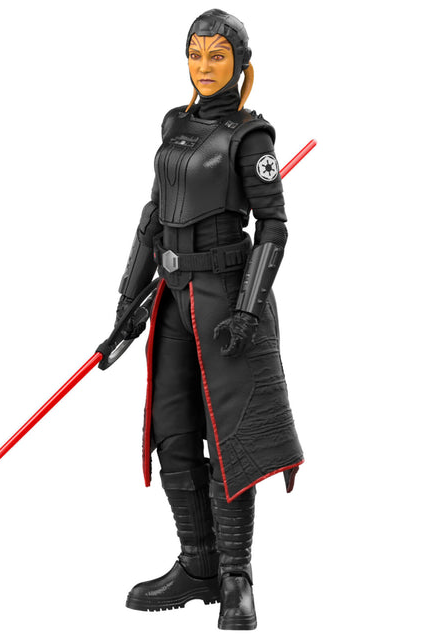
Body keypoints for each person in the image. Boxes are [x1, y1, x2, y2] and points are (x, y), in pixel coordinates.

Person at [114, 9, 304, 631]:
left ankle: (235, 578)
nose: (204, 66)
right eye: (196, 54)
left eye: (217, 56)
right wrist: (127, 302)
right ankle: (196, 563)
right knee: (173, 431)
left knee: (230, 438)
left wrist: (247, 308)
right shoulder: (175, 124)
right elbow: (154, 215)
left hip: (225, 301)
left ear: (240, 64)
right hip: (173, 298)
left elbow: (273, 227)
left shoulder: (252, 138)